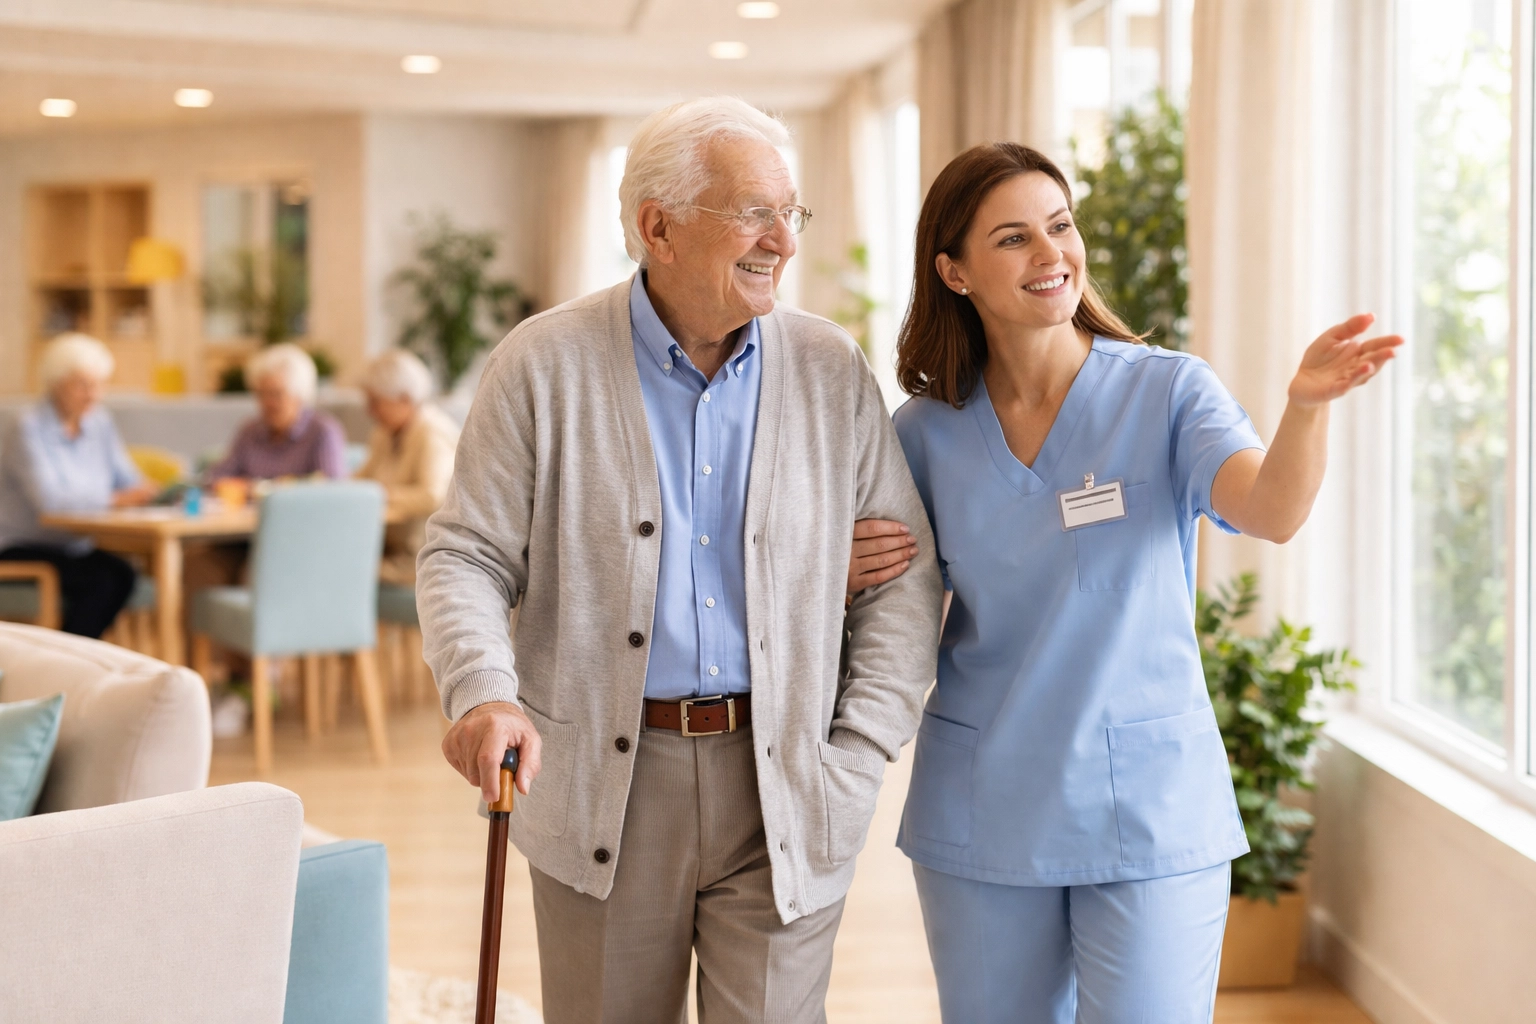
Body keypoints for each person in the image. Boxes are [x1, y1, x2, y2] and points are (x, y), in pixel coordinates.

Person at [416, 96, 943, 1024]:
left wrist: (857, 754)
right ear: (656, 227)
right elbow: (465, 554)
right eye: (753, 211)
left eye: (792, 212)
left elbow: (901, 580)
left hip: (785, 775)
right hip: (600, 790)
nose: (783, 238)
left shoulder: (828, 369)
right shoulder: (541, 365)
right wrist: (483, 688)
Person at [864, 143, 1399, 1023]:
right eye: (1013, 239)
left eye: (1060, 226)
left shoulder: (1169, 394)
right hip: (985, 803)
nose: (1051, 254)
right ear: (954, 272)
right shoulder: (923, 433)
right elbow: (885, 596)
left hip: (1147, 806)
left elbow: (1269, 509)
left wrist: (1305, 409)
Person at [0, 333, 155, 636]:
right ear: (57, 384)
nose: (93, 395)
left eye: (99, 385)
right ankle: (68, 666)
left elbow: (128, 478)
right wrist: (115, 500)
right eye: (83, 385)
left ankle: (76, 659)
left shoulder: (99, 422)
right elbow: (50, 501)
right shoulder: (27, 426)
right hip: (21, 545)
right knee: (102, 580)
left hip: (73, 544)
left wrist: (151, 490)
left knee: (123, 573)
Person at [356, 349, 459, 585]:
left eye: (376, 402)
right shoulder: (385, 432)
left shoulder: (432, 433)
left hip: (421, 556)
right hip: (386, 546)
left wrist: (379, 494)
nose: (370, 411)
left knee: (342, 568)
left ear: (404, 399)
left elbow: (431, 496)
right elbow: (361, 479)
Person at [208, 342, 346, 482]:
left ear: (299, 396)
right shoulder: (249, 431)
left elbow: (332, 489)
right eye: (261, 394)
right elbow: (217, 478)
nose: (268, 403)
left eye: (276, 394)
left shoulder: (323, 431)